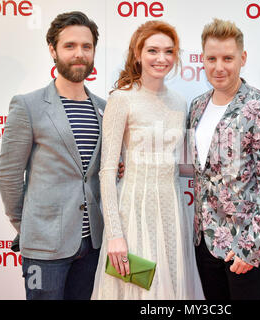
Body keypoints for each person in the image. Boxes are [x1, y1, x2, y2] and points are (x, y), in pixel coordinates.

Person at [0, 11, 106, 300]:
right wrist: (29, 226)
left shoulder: (104, 108)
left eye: (86, 46)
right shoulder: (28, 105)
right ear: (53, 50)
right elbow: (8, 174)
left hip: (93, 244)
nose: (79, 54)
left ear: (94, 51)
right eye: (69, 46)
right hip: (44, 249)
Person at [92, 20, 202, 299]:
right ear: (137, 54)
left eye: (169, 51)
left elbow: (183, 163)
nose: (161, 58)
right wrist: (115, 234)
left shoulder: (179, 102)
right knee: (137, 288)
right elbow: (106, 171)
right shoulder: (122, 99)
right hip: (132, 213)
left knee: (170, 290)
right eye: (153, 50)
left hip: (171, 211)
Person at [187, 18, 260, 300]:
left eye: (228, 58)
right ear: (203, 60)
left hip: (245, 248)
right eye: (212, 58)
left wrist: (250, 246)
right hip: (205, 243)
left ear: (242, 58)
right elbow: (195, 167)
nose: (219, 67)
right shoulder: (197, 107)